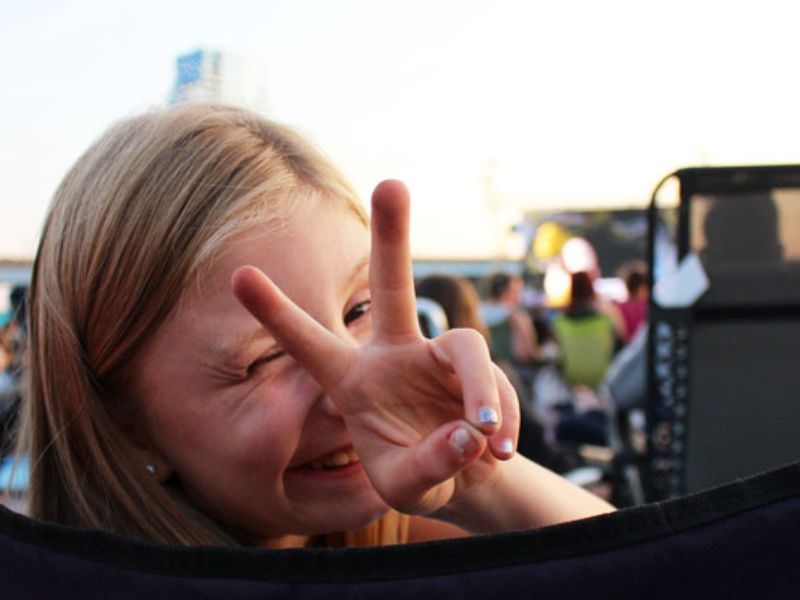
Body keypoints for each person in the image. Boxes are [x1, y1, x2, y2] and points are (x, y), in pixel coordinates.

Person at [17, 104, 613, 549]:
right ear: (126, 425)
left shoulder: (432, 544)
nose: (352, 386)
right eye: (265, 357)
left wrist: (483, 483)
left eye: (359, 311)